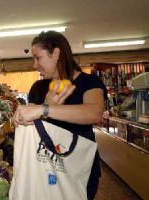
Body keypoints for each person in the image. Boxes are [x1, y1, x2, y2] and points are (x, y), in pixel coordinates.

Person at [12, 31, 107, 200]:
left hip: (79, 166)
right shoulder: (39, 88)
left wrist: (44, 109)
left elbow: (94, 113)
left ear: (55, 53)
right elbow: (38, 127)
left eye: (38, 57)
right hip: (46, 165)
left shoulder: (89, 82)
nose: (34, 65)